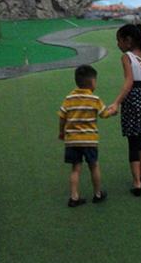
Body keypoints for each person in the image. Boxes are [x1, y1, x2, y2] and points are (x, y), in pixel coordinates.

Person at [105, 24, 141, 197]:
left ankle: (136, 183)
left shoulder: (127, 57)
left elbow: (128, 82)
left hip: (133, 101)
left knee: (132, 141)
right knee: (140, 136)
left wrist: (116, 103)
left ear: (128, 41)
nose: (118, 44)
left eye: (118, 40)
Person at [58, 64, 110, 207]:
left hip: (72, 141)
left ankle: (74, 197)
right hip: (90, 140)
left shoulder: (69, 98)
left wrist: (61, 132)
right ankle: (97, 194)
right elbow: (104, 114)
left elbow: (62, 116)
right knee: (94, 166)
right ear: (92, 82)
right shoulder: (94, 99)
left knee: (75, 168)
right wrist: (113, 109)